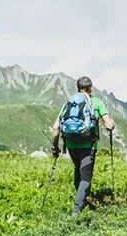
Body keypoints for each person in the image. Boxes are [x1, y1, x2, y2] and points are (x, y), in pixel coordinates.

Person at [50, 76, 116, 214]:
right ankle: (76, 212)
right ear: (90, 88)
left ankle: (86, 201)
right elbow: (109, 125)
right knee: (86, 178)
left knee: (79, 171)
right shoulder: (96, 102)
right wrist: (112, 124)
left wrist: (55, 148)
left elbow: (55, 128)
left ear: (77, 88)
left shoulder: (69, 103)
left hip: (71, 146)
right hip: (88, 146)